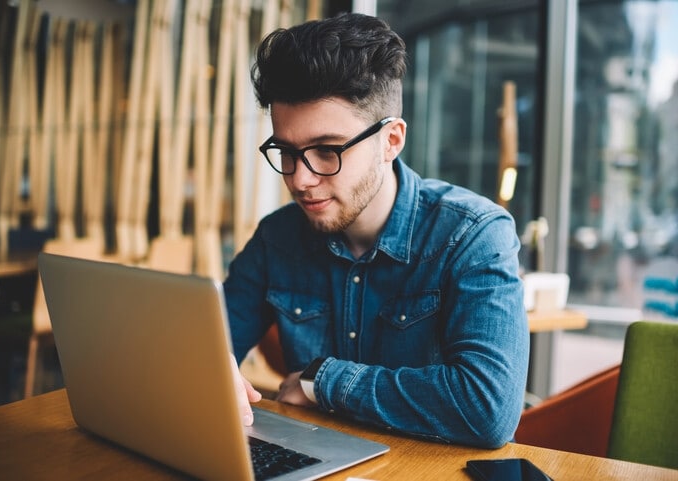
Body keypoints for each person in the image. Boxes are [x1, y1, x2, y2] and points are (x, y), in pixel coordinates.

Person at [223, 12, 529, 448]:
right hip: (314, 464)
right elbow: (211, 345)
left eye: (327, 151)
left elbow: (487, 409)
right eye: (286, 151)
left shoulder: (474, 235)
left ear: (391, 141)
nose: (300, 179)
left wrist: (321, 381)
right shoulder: (278, 237)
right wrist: (211, 369)